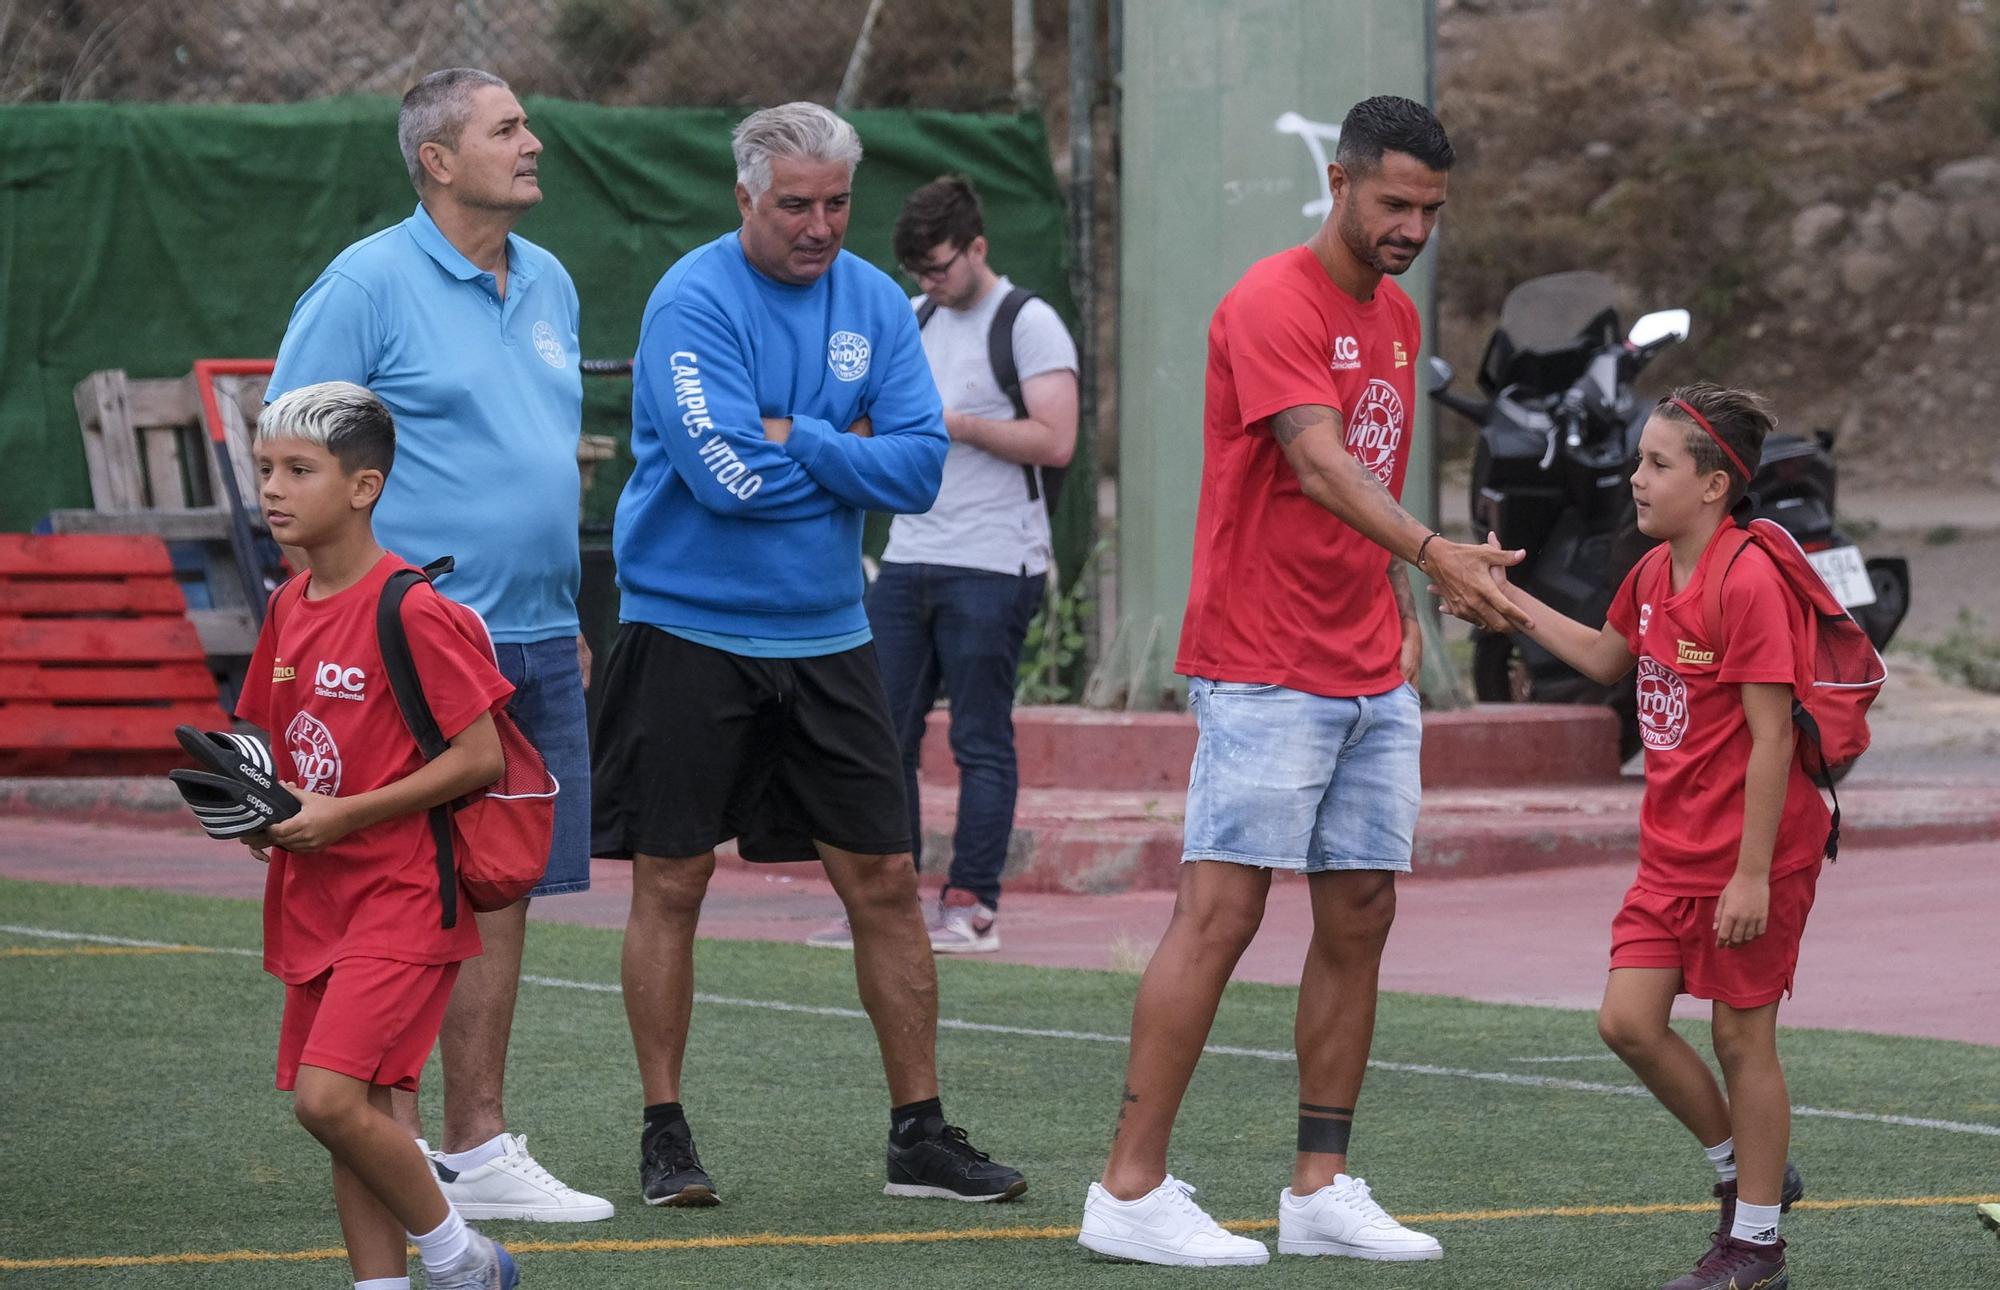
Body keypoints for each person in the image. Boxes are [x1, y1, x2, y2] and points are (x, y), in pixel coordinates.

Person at [1078, 96, 1528, 1268]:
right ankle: (1127, 1190)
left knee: (1360, 914)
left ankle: (1316, 1188)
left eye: (1428, 210)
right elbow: (1320, 463)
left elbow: (1367, 467)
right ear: (1336, 183)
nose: (1409, 229)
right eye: (1391, 204)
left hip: (1365, 662)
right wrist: (1432, 555)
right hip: (1262, 661)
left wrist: (1399, 602)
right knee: (1220, 914)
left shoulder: (1391, 312)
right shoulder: (1272, 299)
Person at [591, 102, 1027, 1208]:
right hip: (685, 627)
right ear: (744, 198)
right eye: (795, 204)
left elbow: (920, 472)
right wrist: (845, 452)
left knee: (882, 879)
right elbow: (720, 478)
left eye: (837, 202)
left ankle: (918, 1135)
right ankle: (663, 1131)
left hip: (831, 630)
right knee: (674, 879)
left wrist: (797, 436)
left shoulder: (877, 302)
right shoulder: (691, 299)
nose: (819, 225)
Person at [266, 68, 611, 1223]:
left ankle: (476, 1148)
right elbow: (293, 440)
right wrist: (332, 621)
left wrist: (563, 618)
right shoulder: (365, 280)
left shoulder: (551, 279)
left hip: (537, 631)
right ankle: (397, 1141)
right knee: (395, 888)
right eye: (507, 129)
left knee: (505, 884)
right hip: (413, 649)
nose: (534, 143)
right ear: (437, 160)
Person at [1467, 384, 1827, 1290]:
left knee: (1743, 1041)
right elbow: (1600, 656)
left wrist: (1751, 877)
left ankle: (1756, 1249)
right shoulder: (1655, 570)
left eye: (1657, 464)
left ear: (1713, 486)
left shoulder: (1745, 580)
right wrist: (1502, 602)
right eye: (1639, 459)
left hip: (1753, 855)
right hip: (1671, 850)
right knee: (1626, 1021)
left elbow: (1775, 736)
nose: (1637, 478)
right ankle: (1749, 1177)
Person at [234, 381, 521, 1289]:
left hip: (403, 897)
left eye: (298, 470)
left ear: (364, 487)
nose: (273, 489)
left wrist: (344, 816)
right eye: (264, 470)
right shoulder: (286, 606)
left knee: (326, 1102)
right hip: (316, 896)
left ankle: (461, 1256)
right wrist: (259, 810)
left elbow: (480, 758)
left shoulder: (412, 607)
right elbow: (277, 747)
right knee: (366, 1111)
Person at [805, 176, 1078, 954]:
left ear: (978, 248)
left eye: (940, 267)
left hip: (995, 561)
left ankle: (972, 904)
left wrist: (949, 423)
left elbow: (1055, 440)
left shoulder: (1029, 323)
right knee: (878, 735)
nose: (930, 284)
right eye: (918, 272)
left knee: (979, 740)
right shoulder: (913, 320)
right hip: (910, 555)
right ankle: (886, 900)